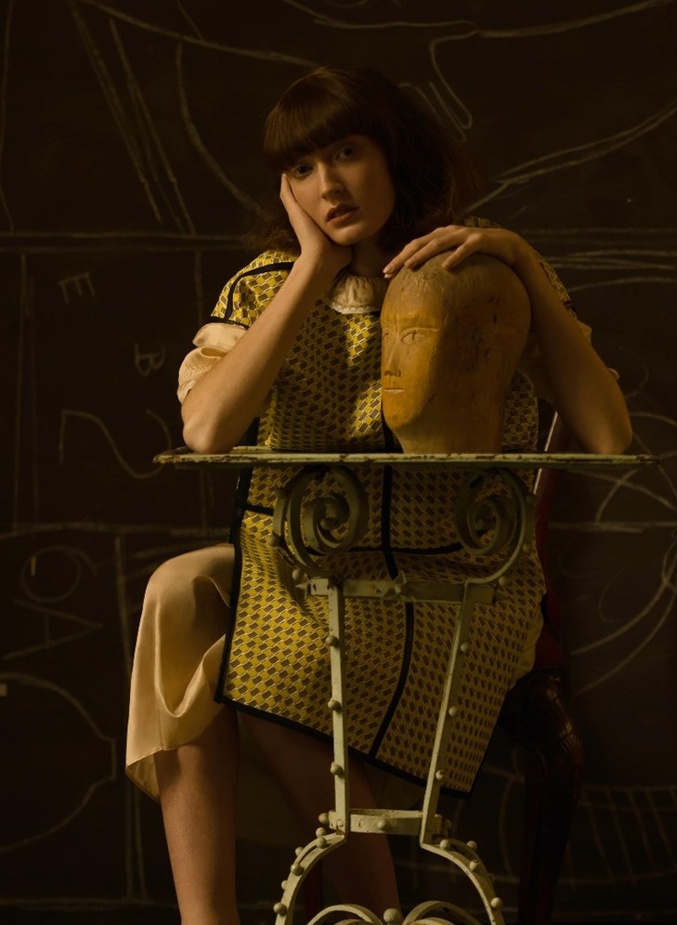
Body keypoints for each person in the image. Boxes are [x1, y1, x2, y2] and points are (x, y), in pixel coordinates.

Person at [126, 64, 632, 925]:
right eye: (302, 169)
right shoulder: (263, 288)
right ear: (285, 191)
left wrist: (520, 261)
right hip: (302, 569)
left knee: (265, 662)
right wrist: (311, 271)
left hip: (454, 582)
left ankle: (373, 910)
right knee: (179, 590)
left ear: (395, 154)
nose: (327, 185)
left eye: (348, 153)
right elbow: (207, 429)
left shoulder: (476, 277)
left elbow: (610, 434)